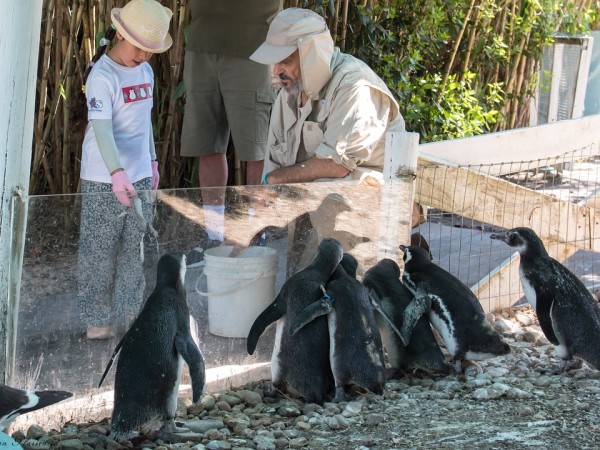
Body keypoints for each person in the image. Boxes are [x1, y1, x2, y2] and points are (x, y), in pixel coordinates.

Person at [77, 0, 172, 340]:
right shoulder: (102, 74)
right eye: (138, 47)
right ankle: (96, 317)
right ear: (119, 33)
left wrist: (152, 159)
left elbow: (145, 120)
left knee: (136, 246)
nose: (144, 56)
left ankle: (131, 314)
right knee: (99, 248)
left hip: (139, 174)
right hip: (105, 176)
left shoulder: (145, 72)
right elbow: (102, 128)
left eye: (150, 50)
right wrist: (117, 172)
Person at [249, 7, 406, 186]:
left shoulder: (355, 87)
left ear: (311, 57)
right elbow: (272, 167)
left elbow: (337, 165)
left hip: (374, 201)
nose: (276, 71)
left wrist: (276, 179)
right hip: (313, 202)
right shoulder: (289, 92)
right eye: (274, 61)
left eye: (285, 61)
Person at [181, 0, 282, 266]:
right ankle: (213, 236)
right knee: (207, 144)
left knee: (255, 147)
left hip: (255, 47)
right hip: (202, 46)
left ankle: (255, 232)